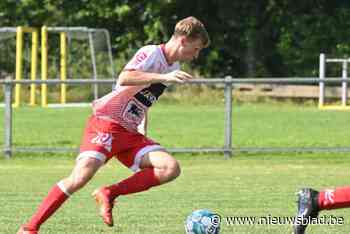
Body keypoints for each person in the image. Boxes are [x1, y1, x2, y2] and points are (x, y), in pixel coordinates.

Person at [18, 16, 210, 234]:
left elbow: (144, 99)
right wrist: (164, 76)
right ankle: (29, 228)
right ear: (183, 40)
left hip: (130, 133)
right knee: (80, 178)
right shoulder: (151, 53)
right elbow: (125, 78)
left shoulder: (173, 66)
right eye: (195, 49)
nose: (195, 56)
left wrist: (142, 124)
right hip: (107, 124)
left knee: (170, 168)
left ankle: (109, 192)